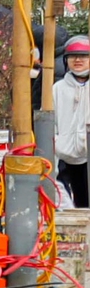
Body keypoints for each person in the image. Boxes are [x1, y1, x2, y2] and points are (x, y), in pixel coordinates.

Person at [56, 35, 90, 206]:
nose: (78, 60)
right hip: (63, 155)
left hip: (87, 152)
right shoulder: (57, 89)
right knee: (68, 203)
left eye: (84, 56)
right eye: (73, 56)